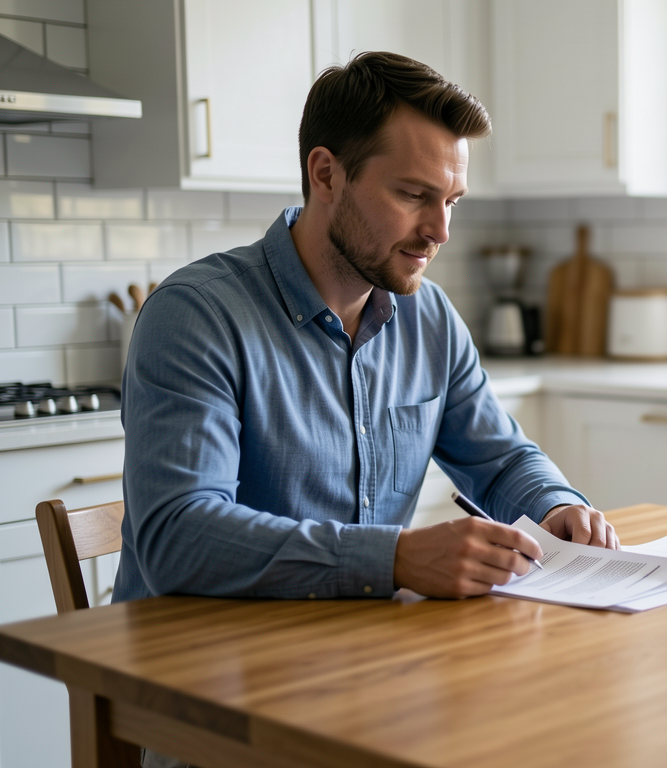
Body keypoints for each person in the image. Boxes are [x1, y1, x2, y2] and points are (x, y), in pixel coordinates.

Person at [114, 51, 616, 610]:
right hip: (197, 671)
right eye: (413, 195)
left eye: (451, 201)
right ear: (326, 174)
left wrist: (556, 506)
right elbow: (178, 539)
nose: (441, 231)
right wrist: (395, 559)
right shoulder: (195, 316)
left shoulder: (429, 317)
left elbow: (499, 460)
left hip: (359, 653)